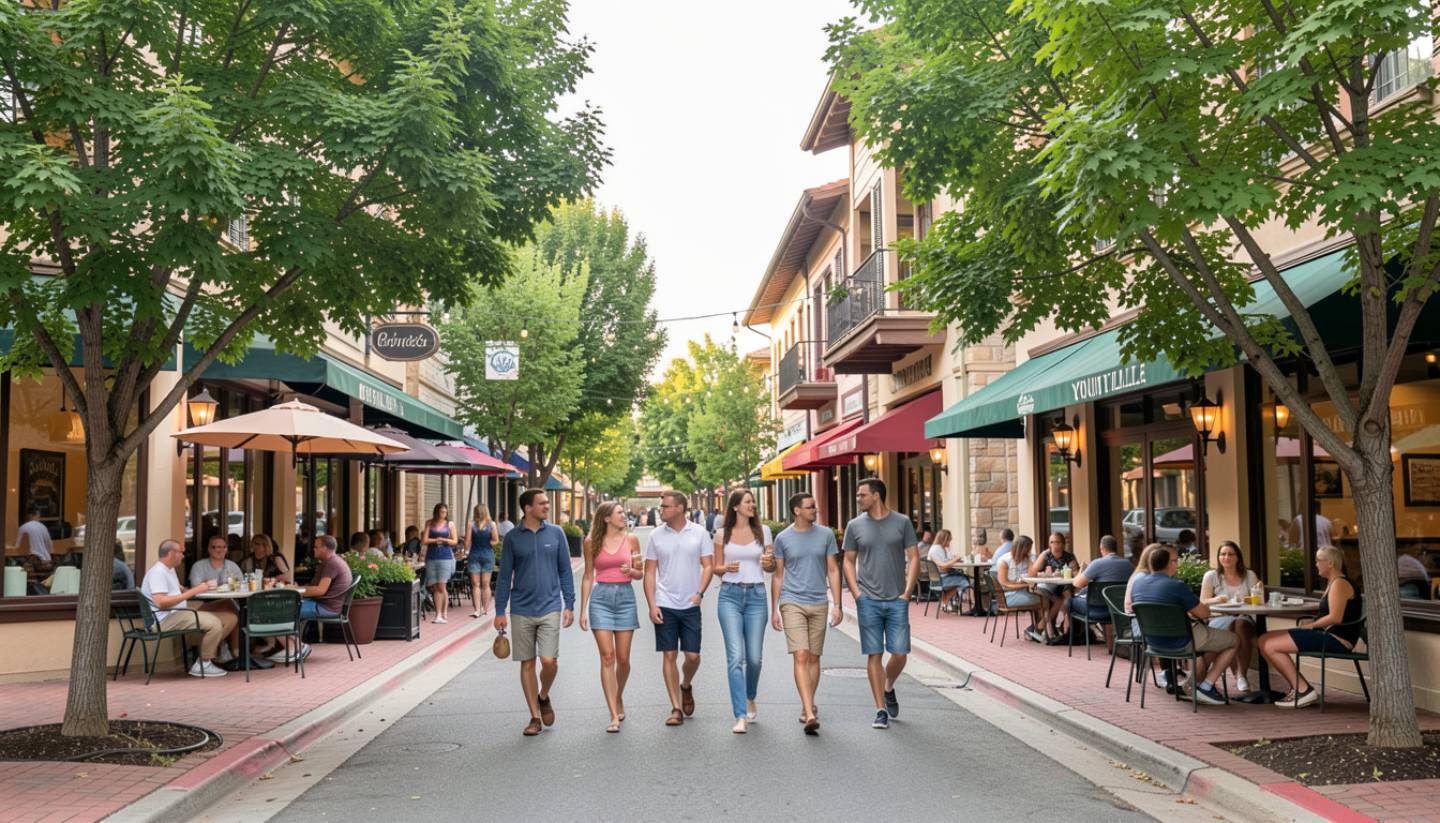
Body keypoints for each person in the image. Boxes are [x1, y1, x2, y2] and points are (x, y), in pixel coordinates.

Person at [495, 490, 575, 737]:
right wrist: (500, 610)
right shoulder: (512, 538)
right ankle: (534, 717)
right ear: (527, 508)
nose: (547, 506)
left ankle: (543, 695)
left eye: (547, 503)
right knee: (527, 663)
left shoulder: (556, 533)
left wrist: (569, 604)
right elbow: (504, 576)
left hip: (550, 606)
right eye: (542, 503)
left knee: (549, 661)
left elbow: (565, 570)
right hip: (521, 608)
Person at [842, 478, 919, 730]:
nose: (858, 499)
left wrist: (907, 592)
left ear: (876, 496)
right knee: (874, 654)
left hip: (897, 599)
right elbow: (848, 561)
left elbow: (914, 557)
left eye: (862, 495)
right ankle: (880, 710)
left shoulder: (902, 522)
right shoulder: (854, 526)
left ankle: (888, 686)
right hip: (868, 600)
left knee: (900, 653)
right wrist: (857, 594)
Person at [771, 492, 841, 734]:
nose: (815, 510)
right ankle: (810, 712)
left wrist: (838, 604)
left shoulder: (826, 535)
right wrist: (774, 609)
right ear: (797, 511)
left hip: (819, 601)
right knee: (800, 654)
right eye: (810, 507)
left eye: (815, 506)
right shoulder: (783, 538)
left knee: (813, 657)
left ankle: (807, 704)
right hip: (792, 601)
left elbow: (833, 569)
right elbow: (778, 575)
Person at [1257, 546, 1362, 708]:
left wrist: (1310, 626)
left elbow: (1335, 617)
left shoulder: (1340, 583)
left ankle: (1303, 690)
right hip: (1325, 634)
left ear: (1330, 563)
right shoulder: (1333, 583)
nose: (1316, 564)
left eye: (1318, 560)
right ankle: (1300, 688)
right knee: (1263, 639)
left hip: (1336, 639)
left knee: (1270, 645)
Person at [1131, 546, 1236, 705]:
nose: (1176, 564)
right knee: (1234, 640)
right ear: (1170, 564)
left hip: (1152, 643)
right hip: (1182, 641)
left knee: (1214, 642)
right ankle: (1206, 687)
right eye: (1175, 561)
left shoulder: (1138, 584)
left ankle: (1191, 686)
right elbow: (1204, 614)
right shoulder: (1176, 585)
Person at [644, 491, 714, 727]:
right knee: (669, 654)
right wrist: (652, 604)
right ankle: (675, 708)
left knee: (693, 656)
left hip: (690, 603)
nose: (661, 509)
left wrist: (700, 593)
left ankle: (685, 685)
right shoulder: (655, 535)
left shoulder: (699, 533)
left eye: (665, 506)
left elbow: (708, 566)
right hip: (665, 602)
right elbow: (650, 572)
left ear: (680, 508)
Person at [713, 489, 773, 734]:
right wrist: (725, 568)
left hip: (757, 596)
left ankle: (750, 696)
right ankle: (740, 715)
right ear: (735, 506)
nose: (752, 505)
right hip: (730, 596)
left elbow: (771, 565)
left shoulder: (763, 531)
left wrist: (769, 563)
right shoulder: (721, 534)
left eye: (753, 501)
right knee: (736, 657)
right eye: (748, 501)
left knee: (755, 658)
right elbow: (716, 568)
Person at [578, 502, 642, 733]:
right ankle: (613, 714)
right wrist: (583, 610)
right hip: (601, 599)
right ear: (606, 518)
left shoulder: (632, 539)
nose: (624, 516)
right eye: (619, 513)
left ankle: (618, 695)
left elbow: (640, 572)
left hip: (625, 598)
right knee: (607, 657)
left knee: (623, 659)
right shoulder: (591, 542)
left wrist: (631, 571)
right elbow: (588, 576)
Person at [140, 539, 238, 677]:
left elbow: (177, 592)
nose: (183, 556)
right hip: (165, 619)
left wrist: (190, 589)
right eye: (181, 552)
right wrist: (195, 591)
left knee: (230, 618)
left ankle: (205, 650)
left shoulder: (169, 569)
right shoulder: (158, 572)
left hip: (178, 612)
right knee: (214, 623)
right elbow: (160, 602)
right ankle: (203, 663)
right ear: (171, 553)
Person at [272, 534, 353, 664]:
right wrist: (297, 588)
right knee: (280, 608)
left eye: (316, 547)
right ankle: (293, 648)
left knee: (276, 611)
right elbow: (315, 587)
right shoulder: (330, 562)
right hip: (323, 603)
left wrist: (295, 591)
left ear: (325, 549)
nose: (313, 549)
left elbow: (320, 590)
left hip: (326, 607)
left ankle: (297, 647)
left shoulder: (332, 564)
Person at [1200, 540, 1262, 692]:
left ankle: (1241, 675)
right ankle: (1239, 676)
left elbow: (1258, 601)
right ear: (1218, 557)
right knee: (1232, 626)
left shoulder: (1249, 575)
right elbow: (1203, 602)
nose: (1226, 557)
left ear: (1237, 557)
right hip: (1218, 618)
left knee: (1239, 624)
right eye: (1222, 554)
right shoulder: (1211, 576)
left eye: (1230, 554)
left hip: (1244, 616)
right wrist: (1218, 599)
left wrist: (1255, 595)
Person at [1067, 535, 1134, 643]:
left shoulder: (1098, 563)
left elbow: (1077, 584)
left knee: (1070, 601)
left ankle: (1076, 637)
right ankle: (1106, 640)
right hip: (1119, 610)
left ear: (1101, 548)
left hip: (1097, 611)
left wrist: (1081, 571)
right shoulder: (1128, 565)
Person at [1029, 532, 1078, 643]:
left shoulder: (1069, 556)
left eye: (1057, 542)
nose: (1054, 545)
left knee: (1068, 594)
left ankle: (1066, 623)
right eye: (1051, 542)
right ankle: (1046, 625)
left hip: (1064, 586)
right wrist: (1043, 573)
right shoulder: (1046, 555)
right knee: (1054, 599)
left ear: (1063, 544)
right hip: (1048, 586)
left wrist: (1068, 572)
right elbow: (1032, 572)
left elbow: (1076, 573)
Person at [995, 535, 1044, 642]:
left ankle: (1037, 629)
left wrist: (1031, 561)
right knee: (1044, 600)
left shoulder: (1027, 559)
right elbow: (1005, 584)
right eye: (1028, 548)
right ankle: (1038, 630)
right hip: (1007, 596)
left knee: (1046, 597)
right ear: (1022, 548)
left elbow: (1032, 576)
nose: (1029, 551)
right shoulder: (1004, 561)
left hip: (1022, 592)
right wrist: (1025, 585)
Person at [420, 503, 459, 624]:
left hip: (445, 557)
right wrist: (436, 540)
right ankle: (439, 614)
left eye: (445, 512)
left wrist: (445, 540)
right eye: (441, 512)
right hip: (431, 557)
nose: (443, 514)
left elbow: (455, 541)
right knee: (435, 586)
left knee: (441, 586)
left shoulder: (450, 524)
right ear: (436, 512)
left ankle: (441, 613)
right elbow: (424, 540)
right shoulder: (429, 523)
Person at [926, 529, 972, 613]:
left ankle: (948, 601)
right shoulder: (936, 549)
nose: (950, 542)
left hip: (944, 576)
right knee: (965, 580)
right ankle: (946, 600)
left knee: (965, 577)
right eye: (949, 540)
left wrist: (956, 559)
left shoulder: (944, 548)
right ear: (944, 539)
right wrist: (955, 559)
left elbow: (948, 560)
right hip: (940, 579)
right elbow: (942, 567)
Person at [467, 504, 500, 619]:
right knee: (486, 584)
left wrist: (465, 550)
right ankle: (485, 610)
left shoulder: (471, 525)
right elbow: (496, 540)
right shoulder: (492, 524)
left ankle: (477, 610)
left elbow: (467, 541)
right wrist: (486, 543)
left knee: (475, 584)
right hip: (487, 555)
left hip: (474, 554)